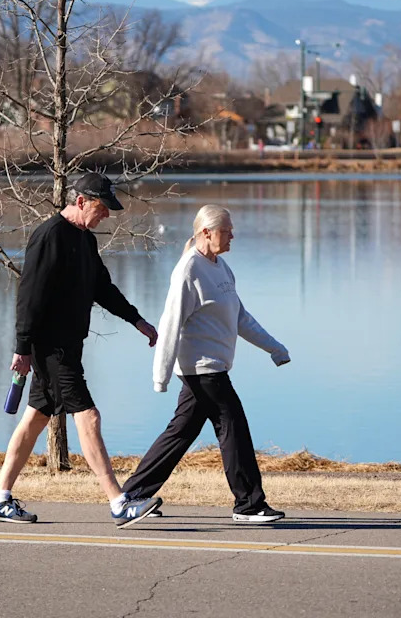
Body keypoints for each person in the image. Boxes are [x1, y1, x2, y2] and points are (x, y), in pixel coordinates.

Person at [0, 172, 163, 529]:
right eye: (102, 207)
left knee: (36, 418)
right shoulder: (49, 236)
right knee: (88, 416)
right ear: (81, 201)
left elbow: (102, 288)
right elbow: (29, 295)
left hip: (68, 345)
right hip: (52, 348)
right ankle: (119, 502)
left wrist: (137, 320)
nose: (106, 214)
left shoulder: (85, 240)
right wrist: (22, 347)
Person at [121, 204, 290, 522]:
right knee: (233, 428)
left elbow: (240, 317)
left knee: (180, 433)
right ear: (206, 232)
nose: (232, 236)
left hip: (214, 367)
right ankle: (249, 504)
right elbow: (171, 322)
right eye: (227, 231)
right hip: (202, 369)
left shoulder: (221, 268)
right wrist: (160, 375)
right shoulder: (189, 270)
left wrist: (275, 348)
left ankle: (132, 495)